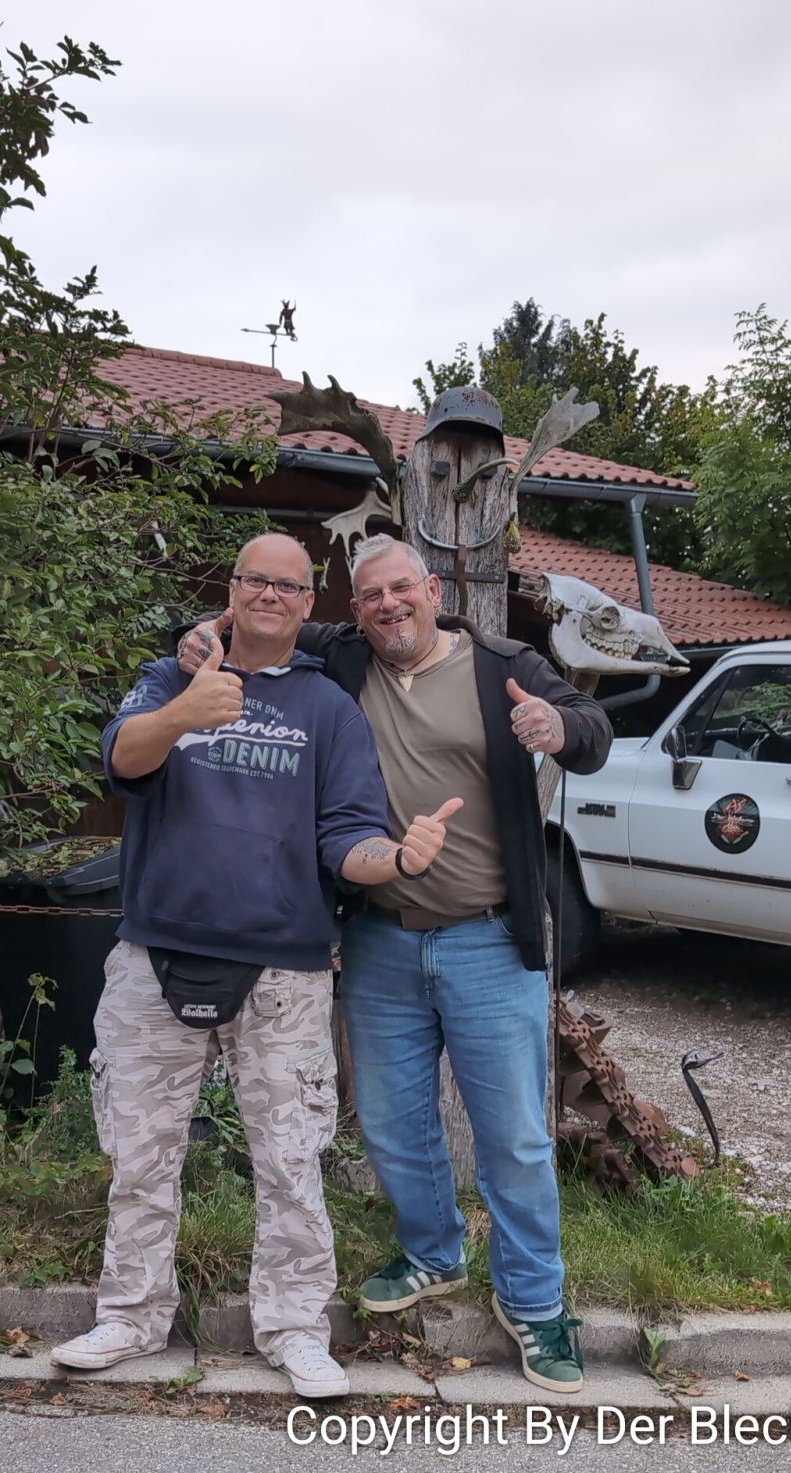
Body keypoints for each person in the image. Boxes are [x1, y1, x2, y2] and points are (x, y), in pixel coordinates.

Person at [177, 534, 611, 1394]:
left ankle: (535, 1303)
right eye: (369, 596)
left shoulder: (499, 662)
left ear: (432, 588)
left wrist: (558, 725)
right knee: (388, 1121)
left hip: (489, 938)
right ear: (354, 609)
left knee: (517, 1138)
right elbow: (264, 617)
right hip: (378, 934)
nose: (386, 607)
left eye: (400, 589)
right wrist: (205, 628)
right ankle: (431, 1254)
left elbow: (594, 734)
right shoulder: (341, 658)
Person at [51, 533, 460, 1400]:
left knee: (289, 1156)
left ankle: (295, 1329)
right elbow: (121, 759)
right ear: (230, 591)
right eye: (256, 580)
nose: (271, 594)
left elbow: (345, 837)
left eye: (291, 584)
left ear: (311, 604)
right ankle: (129, 1315)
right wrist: (182, 714)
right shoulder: (174, 677)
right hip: (155, 952)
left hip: (285, 970)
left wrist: (399, 861)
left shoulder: (329, 711)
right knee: (141, 1149)